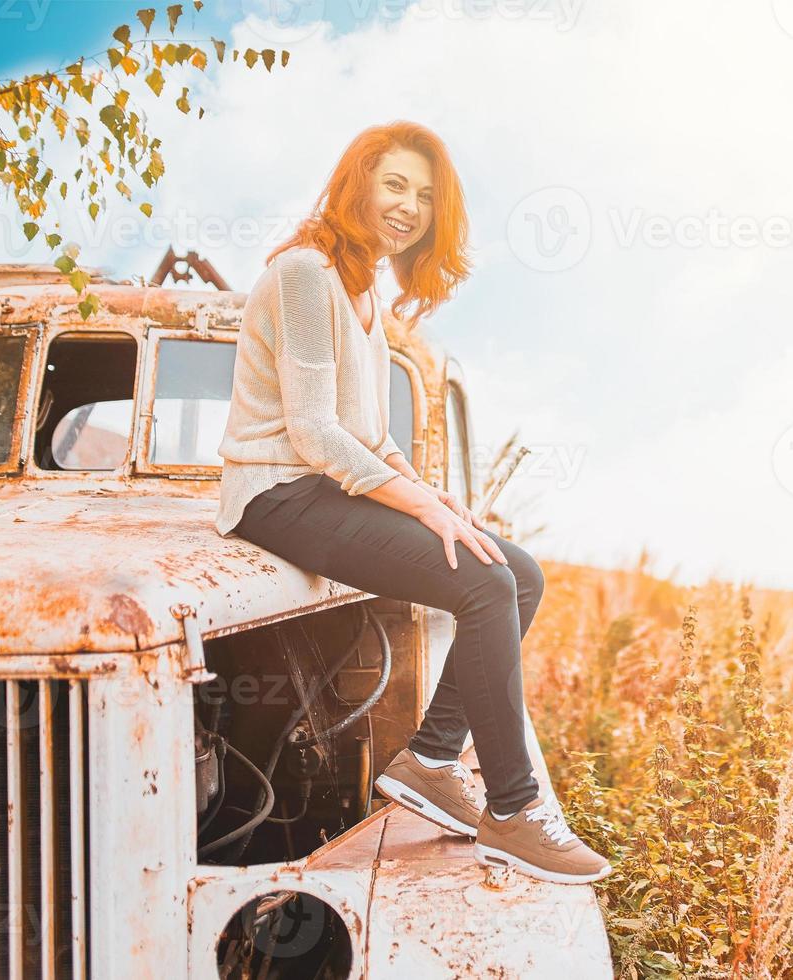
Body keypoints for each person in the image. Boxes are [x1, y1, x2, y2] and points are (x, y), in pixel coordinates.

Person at [214, 121, 611, 885]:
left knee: (515, 570)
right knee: (482, 582)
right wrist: (424, 513)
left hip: (321, 487)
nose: (409, 206)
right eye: (395, 184)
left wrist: (442, 506)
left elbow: (375, 438)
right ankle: (513, 809)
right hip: (274, 494)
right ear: (357, 181)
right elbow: (315, 433)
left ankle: (429, 760)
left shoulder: (363, 291)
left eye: (426, 197)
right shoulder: (305, 274)